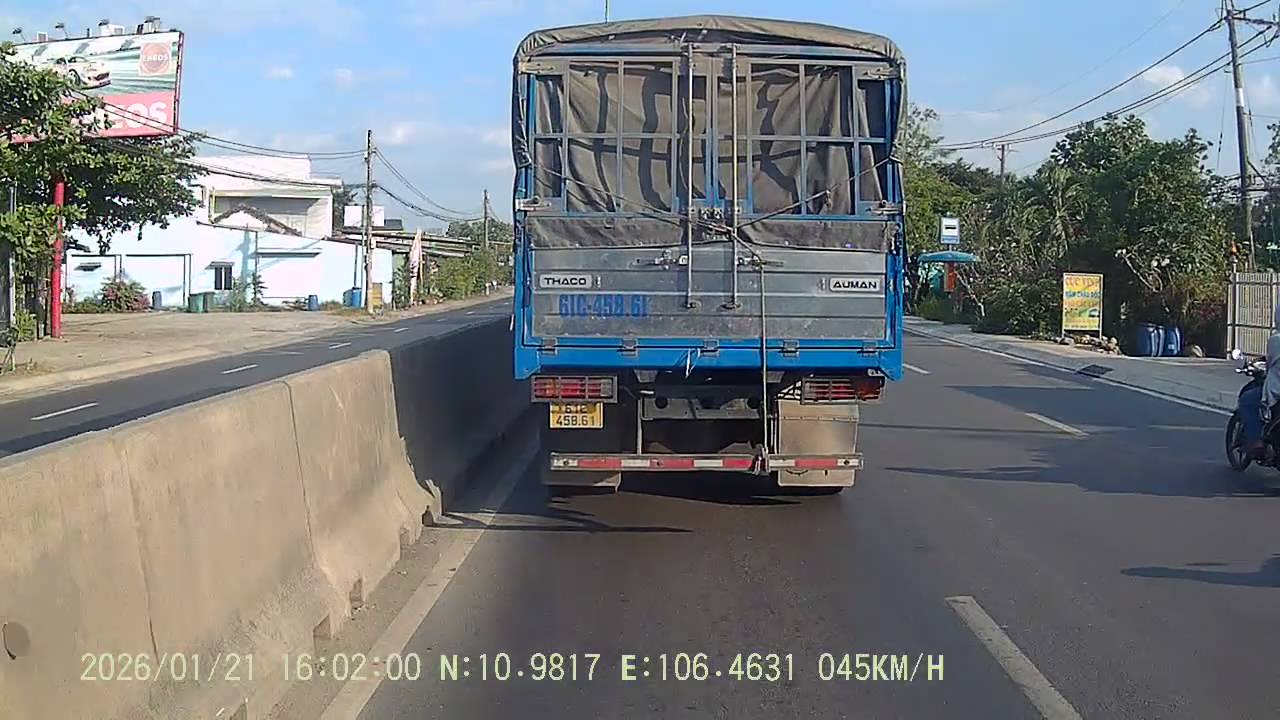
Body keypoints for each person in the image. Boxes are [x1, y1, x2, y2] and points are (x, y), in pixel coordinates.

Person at [1241, 304, 1280, 456]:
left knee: (1247, 400)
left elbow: (1270, 364)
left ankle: (1256, 441)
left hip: (1277, 390)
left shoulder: (1275, 340)